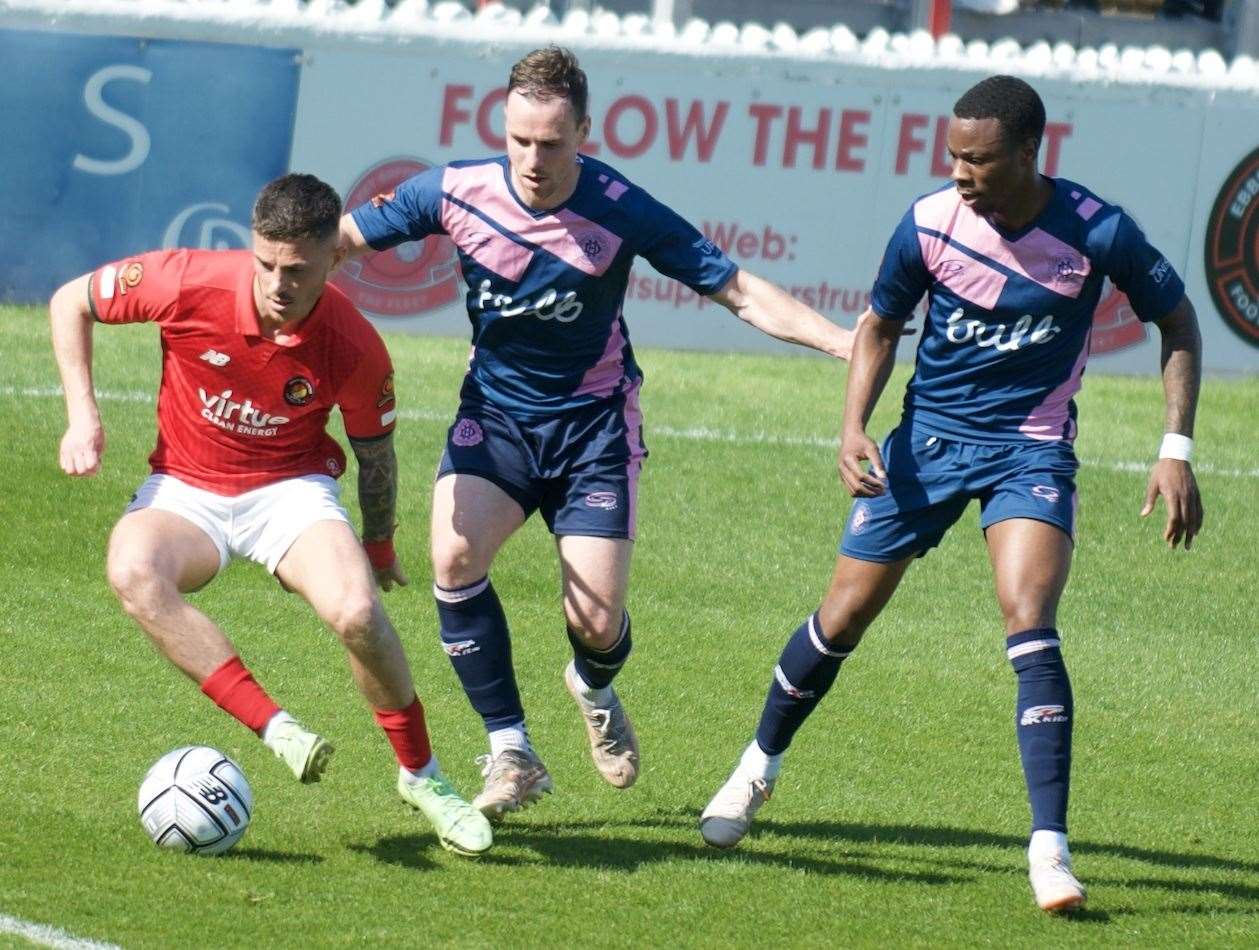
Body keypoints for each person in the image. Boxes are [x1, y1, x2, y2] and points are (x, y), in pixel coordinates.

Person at [699, 75, 1203, 913]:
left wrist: (1173, 450)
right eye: (953, 157)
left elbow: (1178, 321)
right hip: (924, 447)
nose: (961, 173)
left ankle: (1049, 849)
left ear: (1028, 153)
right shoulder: (928, 222)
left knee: (1028, 623)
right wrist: (853, 424)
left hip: (1028, 451)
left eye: (979, 159)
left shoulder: (1096, 229)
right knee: (841, 619)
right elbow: (880, 325)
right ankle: (756, 768)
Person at [339, 46, 857, 821]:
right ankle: (512, 750)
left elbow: (739, 291)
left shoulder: (621, 207)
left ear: (584, 131)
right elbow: (338, 239)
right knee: (450, 554)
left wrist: (845, 344)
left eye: (551, 143)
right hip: (499, 419)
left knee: (596, 624)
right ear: (502, 127)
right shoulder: (452, 191)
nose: (533, 159)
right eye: (519, 140)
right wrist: (258, 269)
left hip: (593, 432)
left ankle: (592, 682)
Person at [49, 173, 493, 856]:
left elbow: (376, 455)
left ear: (332, 259)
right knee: (133, 571)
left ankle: (423, 777)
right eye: (265, 264)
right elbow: (67, 301)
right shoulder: (185, 281)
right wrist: (84, 418)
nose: (277, 283)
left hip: (291, 491)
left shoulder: (354, 344)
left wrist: (377, 545)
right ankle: (276, 728)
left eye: (297, 270)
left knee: (357, 614)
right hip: (184, 489)